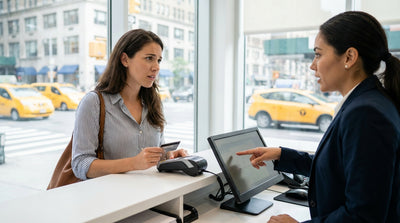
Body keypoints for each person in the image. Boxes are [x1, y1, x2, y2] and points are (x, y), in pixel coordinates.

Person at [237, 11, 400, 223]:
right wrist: (280, 155)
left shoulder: (365, 113)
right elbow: (338, 166)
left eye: (318, 54)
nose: (312, 65)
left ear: (349, 57)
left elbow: (363, 216)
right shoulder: (367, 102)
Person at [71, 29, 187, 180]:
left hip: (152, 194)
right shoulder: (93, 103)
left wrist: (167, 156)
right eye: (149, 58)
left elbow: (153, 154)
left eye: (158, 60)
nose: (156, 67)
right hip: (112, 199)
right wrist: (133, 163)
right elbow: (80, 164)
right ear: (125, 59)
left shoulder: (154, 102)